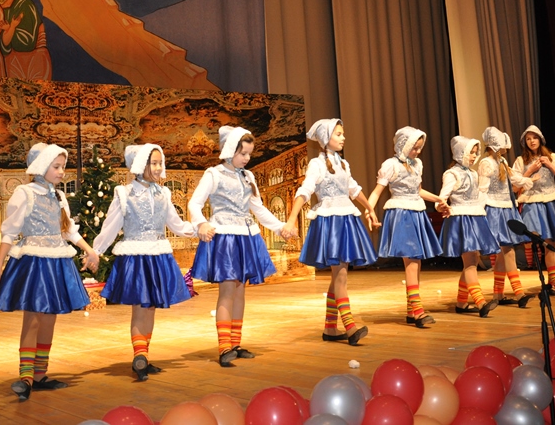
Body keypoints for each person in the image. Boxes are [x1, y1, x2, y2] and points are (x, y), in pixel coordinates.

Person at [0, 143, 99, 401]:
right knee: (33, 318)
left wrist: (89, 250)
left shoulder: (59, 196)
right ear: (41, 166)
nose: (62, 172)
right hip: (35, 263)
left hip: (56, 262)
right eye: (56, 167)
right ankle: (25, 377)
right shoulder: (24, 193)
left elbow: (68, 230)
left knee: (49, 318)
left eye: (63, 167)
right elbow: (9, 232)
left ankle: (40, 375)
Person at [91, 144, 196, 381]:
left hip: (158, 255)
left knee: (150, 308)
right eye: (154, 163)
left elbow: (177, 224)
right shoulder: (124, 194)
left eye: (160, 163)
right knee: (140, 308)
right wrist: (95, 251)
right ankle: (139, 356)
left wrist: (200, 229)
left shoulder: (164, 194)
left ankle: (144, 356)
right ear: (140, 165)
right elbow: (110, 227)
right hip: (136, 258)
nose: (159, 168)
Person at [187, 126, 289, 366]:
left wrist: (280, 227)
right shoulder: (214, 174)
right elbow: (194, 203)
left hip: (245, 237)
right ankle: (224, 347)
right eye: (243, 153)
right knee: (227, 291)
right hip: (225, 238)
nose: (247, 158)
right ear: (230, 150)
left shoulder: (248, 176)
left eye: (249, 154)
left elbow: (258, 208)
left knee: (240, 291)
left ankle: (235, 343)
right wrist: (201, 223)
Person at [281, 119, 379, 345]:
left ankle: (330, 327)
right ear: (326, 138)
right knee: (341, 273)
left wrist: (370, 208)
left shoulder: (343, 163)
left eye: (343, 134)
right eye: (338, 134)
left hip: (345, 219)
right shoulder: (316, 164)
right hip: (331, 222)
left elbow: (353, 189)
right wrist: (292, 218)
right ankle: (350, 326)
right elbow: (305, 190)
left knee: (338, 275)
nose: (343, 138)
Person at [368, 126, 446, 328]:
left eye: (419, 148)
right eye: (414, 148)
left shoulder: (417, 164)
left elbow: (418, 191)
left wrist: (438, 199)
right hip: (401, 213)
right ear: (403, 145)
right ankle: (417, 309)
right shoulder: (391, 165)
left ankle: (412, 310)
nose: (417, 152)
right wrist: (369, 210)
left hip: (416, 211)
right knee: (411, 258)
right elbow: (377, 191)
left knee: (416, 260)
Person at [438, 136, 500, 317]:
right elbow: (442, 196)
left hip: (475, 217)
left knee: (472, 260)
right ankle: (480, 302)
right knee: (470, 261)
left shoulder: (473, 173)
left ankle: (461, 302)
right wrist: (441, 206)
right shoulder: (452, 174)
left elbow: (479, 196)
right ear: (460, 153)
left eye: (475, 153)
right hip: (461, 219)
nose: (473, 156)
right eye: (470, 153)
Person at [513, 125, 555, 296]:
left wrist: (550, 165)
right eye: (528, 139)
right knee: (541, 244)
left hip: (551, 202)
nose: (532, 141)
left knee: (552, 244)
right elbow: (514, 187)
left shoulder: (553, 157)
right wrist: (529, 171)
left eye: (534, 137)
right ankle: (553, 283)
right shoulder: (520, 161)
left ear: (540, 139)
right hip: (533, 203)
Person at [478, 127, 535, 308]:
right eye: (502, 144)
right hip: (495, 210)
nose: (505, 148)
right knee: (507, 250)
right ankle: (519, 293)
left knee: (503, 254)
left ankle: (498, 294)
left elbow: (512, 179)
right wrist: (479, 211)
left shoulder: (502, 161)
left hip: (507, 208)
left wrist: (525, 181)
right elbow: (482, 189)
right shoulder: (486, 163)